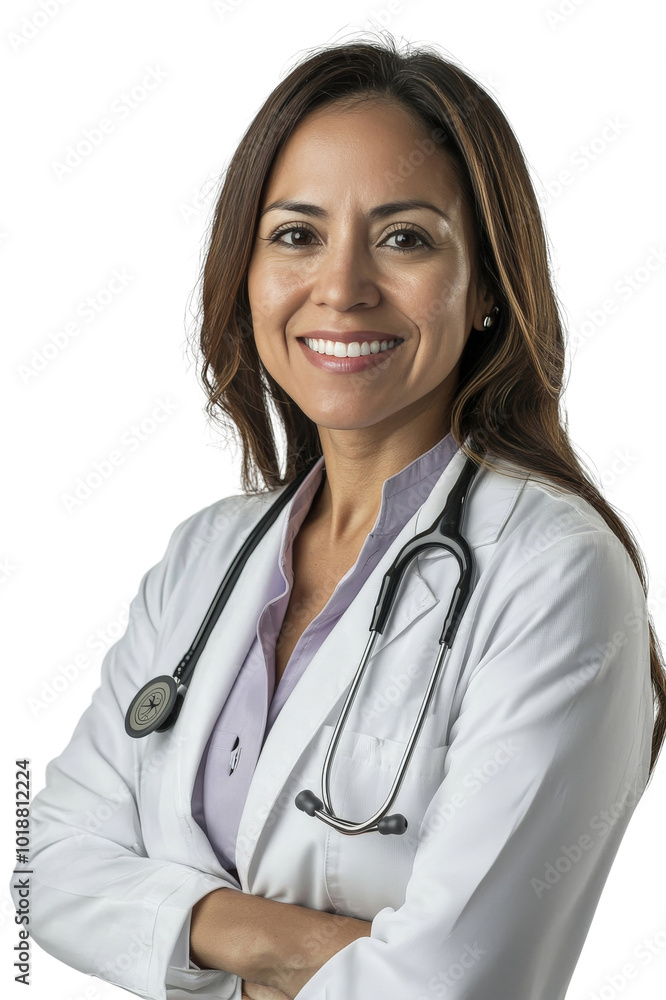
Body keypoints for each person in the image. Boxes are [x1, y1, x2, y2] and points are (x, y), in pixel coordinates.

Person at [12, 33, 665, 1000]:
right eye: (296, 234)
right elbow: (46, 865)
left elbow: (458, 981)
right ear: (247, 267)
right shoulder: (207, 556)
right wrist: (292, 946)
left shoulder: (554, 572)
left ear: (484, 284)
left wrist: (172, 928)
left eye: (405, 238)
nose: (343, 287)